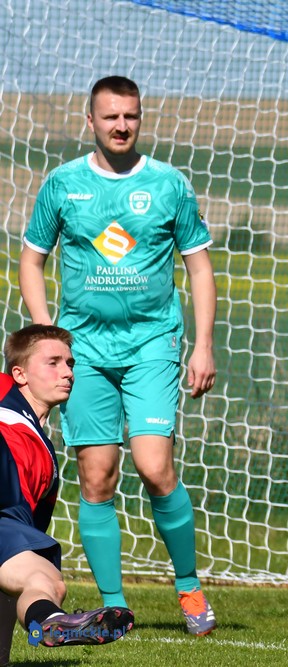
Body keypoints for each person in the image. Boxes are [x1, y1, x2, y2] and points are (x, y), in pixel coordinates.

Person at [18, 75, 218, 636]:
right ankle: (114, 606)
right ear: (91, 121)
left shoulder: (169, 185)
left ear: (140, 118)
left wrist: (203, 345)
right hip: (84, 353)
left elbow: (199, 266)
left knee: (155, 466)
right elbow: (32, 259)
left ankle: (188, 586)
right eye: (110, 117)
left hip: (152, 344)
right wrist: (48, 335)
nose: (121, 126)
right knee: (97, 477)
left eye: (130, 116)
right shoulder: (63, 184)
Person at [0, 324, 134, 666]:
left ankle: (47, 623)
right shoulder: (3, 393)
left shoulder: (47, 463)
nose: (68, 373)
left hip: (7, 521)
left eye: (70, 363)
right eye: (53, 363)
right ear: (19, 374)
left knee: (45, 579)